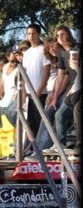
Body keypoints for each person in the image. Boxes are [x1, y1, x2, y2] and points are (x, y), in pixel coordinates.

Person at [45, 25, 79, 152]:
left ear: (69, 35)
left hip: (77, 87)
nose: (61, 37)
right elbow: (60, 77)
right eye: (58, 35)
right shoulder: (61, 54)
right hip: (72, 88)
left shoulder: (77, 48)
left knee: (68, 114)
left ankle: (69, 144)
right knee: (57, 114)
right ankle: (60, 145)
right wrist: (55, 97)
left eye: (63, 34)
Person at [21, 23, 51, 154]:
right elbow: (24, 74)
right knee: (31, 122)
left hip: (41, 93)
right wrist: (23, 93)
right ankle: (32, 147)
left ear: (38, 34)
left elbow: (46, 72)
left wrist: (38, 91)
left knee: (40, 121)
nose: (31, 36)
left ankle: (42, 147)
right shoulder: (27, 53)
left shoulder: (43, 50)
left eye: (33, 33)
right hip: (29, 94)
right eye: (29, 34)